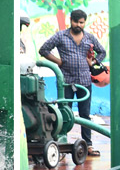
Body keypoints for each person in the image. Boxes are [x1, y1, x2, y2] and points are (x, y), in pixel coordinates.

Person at [39, 8, 107, 157]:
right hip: (66, 81)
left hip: (84, 81)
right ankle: (61, 144)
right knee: (63, 114)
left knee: (85, 114)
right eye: (76, 21)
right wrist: (58, 61)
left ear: (85, 23)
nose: (78, 25)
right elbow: (43, 49)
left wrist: (93, 63)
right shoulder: (61, 36)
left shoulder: (89, 38)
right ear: (71, 20)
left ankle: (88, 145)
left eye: (81, 22)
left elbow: (102, 52)